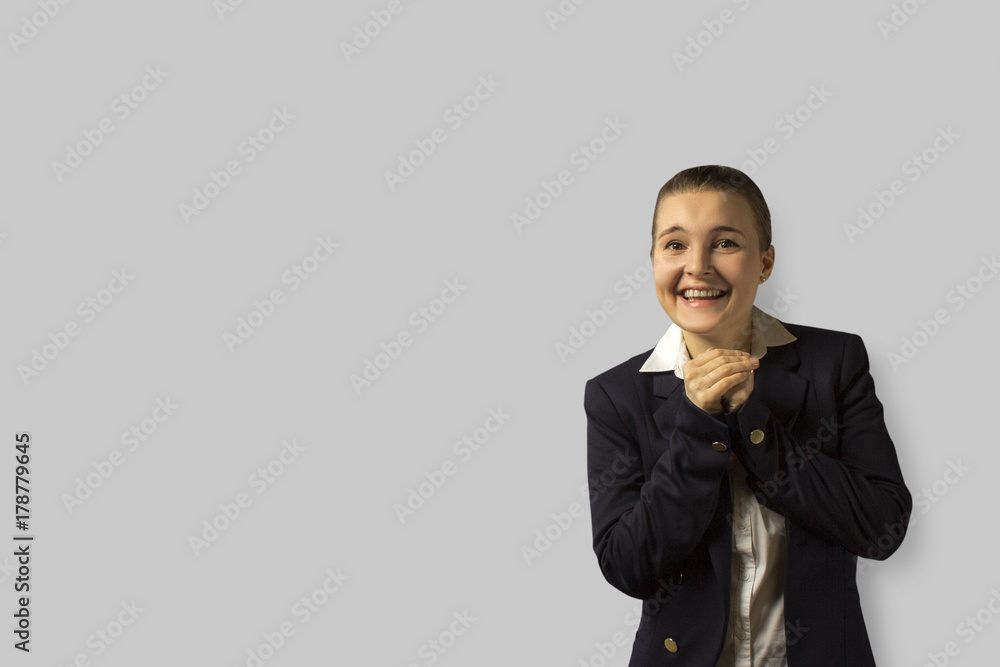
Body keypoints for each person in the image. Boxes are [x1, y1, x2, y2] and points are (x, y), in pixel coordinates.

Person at [584, 165, 911, 666]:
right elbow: (629, 567)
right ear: (652, 261)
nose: (697, 266)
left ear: (765, 262)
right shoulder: (616, 395)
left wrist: (752, 421)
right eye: (675, 245)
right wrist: (698, 421)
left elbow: (882, 526)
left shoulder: (835, 363)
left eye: (725, 243)